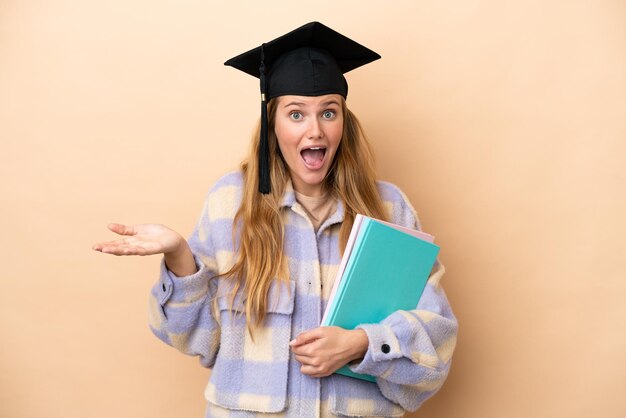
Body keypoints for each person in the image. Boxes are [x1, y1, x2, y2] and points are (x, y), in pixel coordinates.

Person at [93, 21, 457, 418]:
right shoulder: (230, 203)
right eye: (296, 114)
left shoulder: (388, 210)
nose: (314, 130)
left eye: (328, 113)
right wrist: (181, 257)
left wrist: (361, 344)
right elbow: (194, 339)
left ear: (344, 123)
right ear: (273, 123)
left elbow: (435, 345)